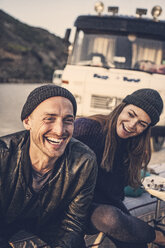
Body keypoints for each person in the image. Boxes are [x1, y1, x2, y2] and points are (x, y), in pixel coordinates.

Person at [0, 84, 98, 248]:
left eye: (68, 121)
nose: (60, 131)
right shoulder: (4, 155)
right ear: (27, 121)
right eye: (49, 119)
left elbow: (73, 224)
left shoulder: (84, 162)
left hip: (49, 222)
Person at [73, 88, 165, 248]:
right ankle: (158, 236)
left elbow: (115, 194)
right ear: (122, 107)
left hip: (101, 206)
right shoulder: (86, 128)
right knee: (111, 218)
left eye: (142, 124)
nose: (132, 125)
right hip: (72, 203)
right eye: (131, 114)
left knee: (132, 238)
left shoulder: (133, 146)